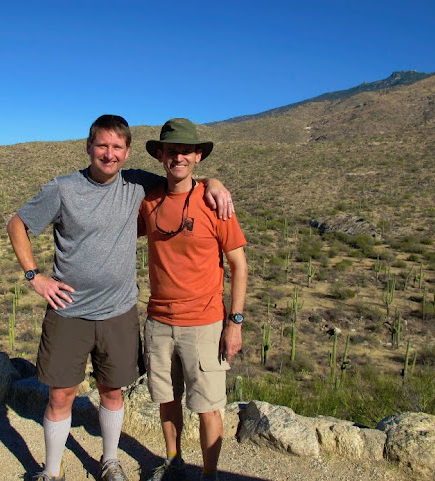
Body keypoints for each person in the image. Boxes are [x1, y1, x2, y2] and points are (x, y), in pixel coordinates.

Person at [6, 114, 234, 481]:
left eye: (116, 147)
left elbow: (181, 181)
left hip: (118, 312)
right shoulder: (63, 189)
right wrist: (35, 277)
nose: (108, 154)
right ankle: (51, 470)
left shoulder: (137, 184)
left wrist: (214, 183)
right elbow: (18, 223)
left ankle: (110, 462)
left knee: (112, 392)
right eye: (102, 146)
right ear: (89, 147)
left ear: (127, 152)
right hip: (69, 312)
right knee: (61, 395)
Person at [138, 118, 248, 481]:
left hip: (204, 323)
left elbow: (238, 265)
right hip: (158, 321)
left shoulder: (215, 203)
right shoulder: (150, 200)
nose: (178, 157)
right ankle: (173, 461)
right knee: (166, 400)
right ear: (161, 156)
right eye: (171, 151)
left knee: (207, 407)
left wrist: (234, 324)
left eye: (186, 151)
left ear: (198, 155)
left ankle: (210, 475)